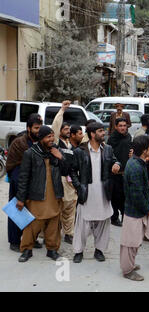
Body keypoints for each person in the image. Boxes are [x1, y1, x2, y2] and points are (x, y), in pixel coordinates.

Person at [71, 122, 121, 263]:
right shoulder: (80, 151)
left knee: (103, 222)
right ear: (92, 134)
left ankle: (99, 250)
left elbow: (115, 161)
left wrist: (117, 164)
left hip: (104, 191)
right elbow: (72, 170)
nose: (103, 133)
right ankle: (78, 251)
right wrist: (78, 186)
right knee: (82, 223)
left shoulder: (108, 149)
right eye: (100, 131)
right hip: (87, 192)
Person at [16, 126, 68, 262]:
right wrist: (21, 198)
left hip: (54, 195)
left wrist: (61, 157)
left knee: (53, 225)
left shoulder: (56, 151)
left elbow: (67, 171)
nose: (51, 139)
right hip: (37, 196)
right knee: (32, 225)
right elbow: (23, 177)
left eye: (52, 136)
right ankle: (27, 250)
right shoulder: (30, 153)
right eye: (48, 137)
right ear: (41, 138)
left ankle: (52, 250)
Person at [6, 114, 42, 252]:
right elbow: (14, 166)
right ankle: (14, 241)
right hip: (18, 178)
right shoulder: (19, 143)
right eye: (36, 128)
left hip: (33, 181)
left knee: (33, 212)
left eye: (40, 127)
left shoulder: (39, 141)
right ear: (28, 128)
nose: (38, 130)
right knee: (17, 210)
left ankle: (30, 238)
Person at [120, 135, 149, 281]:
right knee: (130, 243)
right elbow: (136, 194)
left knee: (134, 241)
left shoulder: (138, 162)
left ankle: (130, 264)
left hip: (135, 210)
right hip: (134, 211)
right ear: (145, 150)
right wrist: (148, 209)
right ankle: (127, 270)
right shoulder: (135, 166)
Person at [51, 101, 78, 244]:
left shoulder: (70, 145)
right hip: (59, 180)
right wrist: (62, 110)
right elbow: (55, 126)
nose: (68, 131)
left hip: (71, 181)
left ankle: (69, 233)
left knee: (70, 208)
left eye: (69, 129)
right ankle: (53, 235)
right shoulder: (55, 142)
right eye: (65, 129)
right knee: (59, 208)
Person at [107, 118, 133, 227]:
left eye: (124, 125)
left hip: (126, 171)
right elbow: (108, 154)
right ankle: (114, 217)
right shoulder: (111, 139)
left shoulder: (128, 137)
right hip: (115, 172)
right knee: (115, 196)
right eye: (120, 126)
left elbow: (131, 149)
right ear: (116, 127)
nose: (123, 128)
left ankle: (124, 216)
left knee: (125, 195)